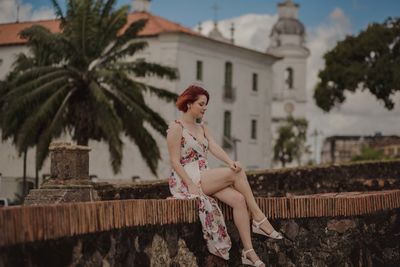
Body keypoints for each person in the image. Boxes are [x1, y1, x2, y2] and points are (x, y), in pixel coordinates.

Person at [167, 85, 283, 266]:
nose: (205, 108)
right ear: (189, 103)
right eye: (201, 104)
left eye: (206, 104)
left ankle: (249, 252)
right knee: (237, 174)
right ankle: (259, 217)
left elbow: (213, 146)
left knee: (238, 199)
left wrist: (230, 162)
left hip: (204, 174)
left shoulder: (202, 127)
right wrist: (189, 183)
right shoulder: (176, 127)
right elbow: (174, 161)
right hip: (187, 177)